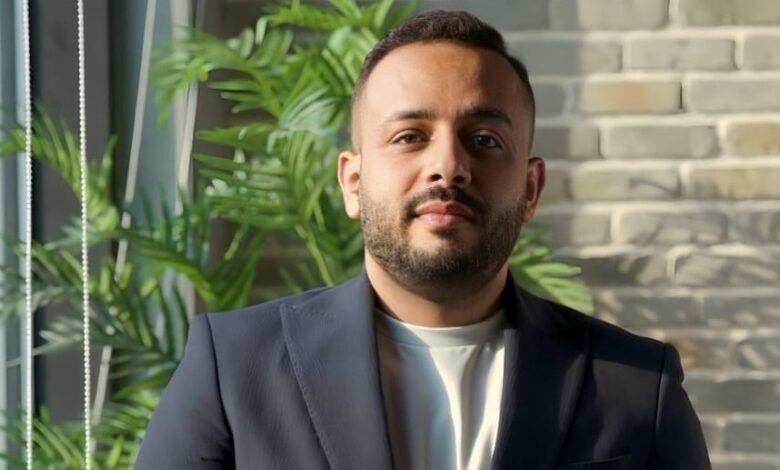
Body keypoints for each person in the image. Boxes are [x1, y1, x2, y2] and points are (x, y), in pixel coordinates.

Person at [135, 10, 710, 470]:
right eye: (410, 136)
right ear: (354, 183)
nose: (448, 166)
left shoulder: (637, 383)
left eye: (484, 140)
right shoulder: (235, 367)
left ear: (531, 188)